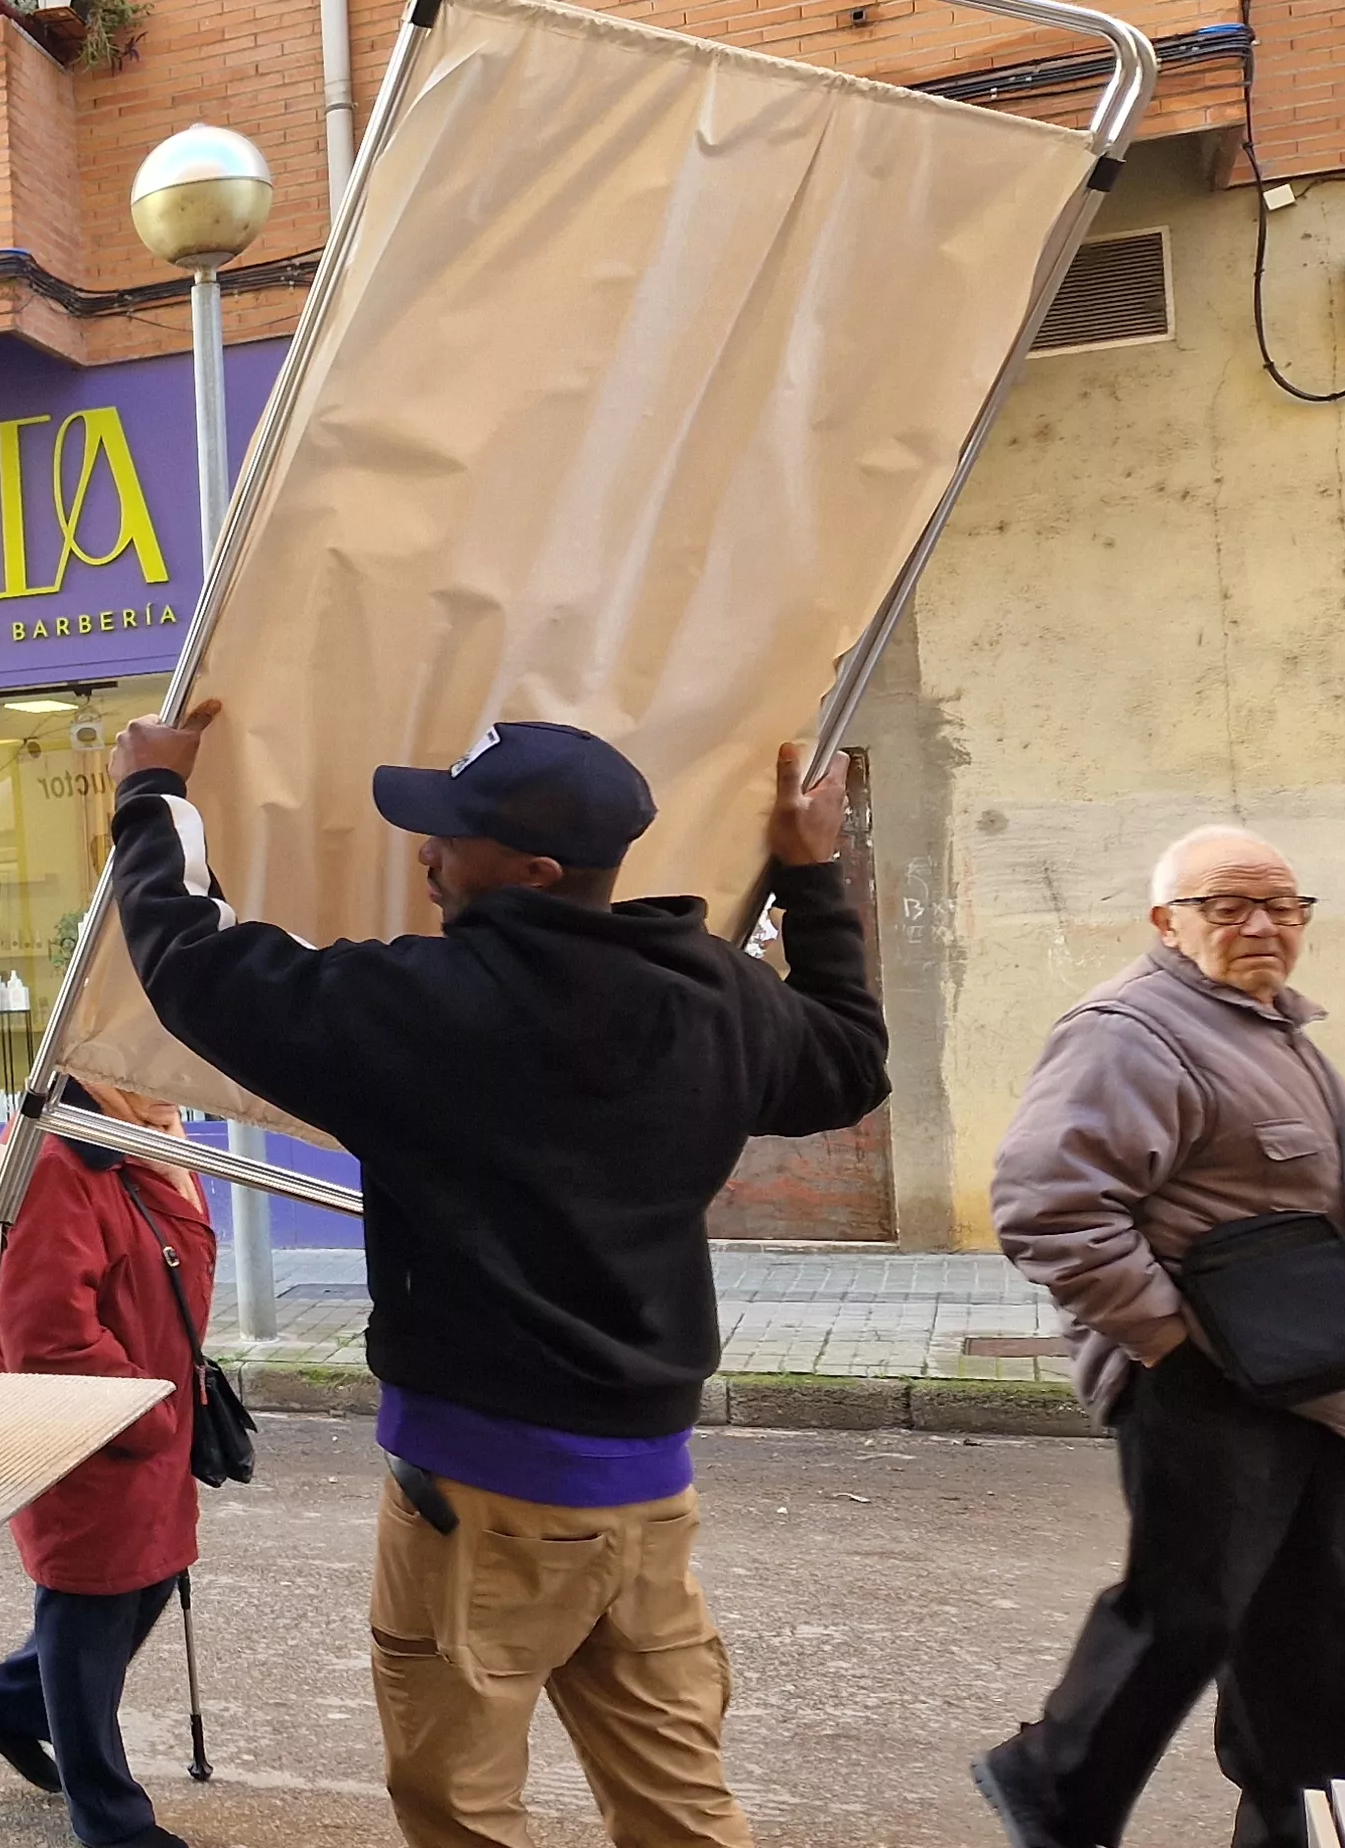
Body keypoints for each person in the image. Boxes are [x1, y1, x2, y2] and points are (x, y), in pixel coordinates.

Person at [99, 706, 888, 1848]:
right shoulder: (714, 993)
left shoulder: (429, 1009)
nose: (422, 853)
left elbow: (197, 966)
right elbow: (850, 1064)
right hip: (647, 1493)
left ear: (530, 871)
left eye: (448, 837)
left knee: (462, 1809)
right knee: (679, 1807)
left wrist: (151, 795)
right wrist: (809, 879)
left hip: (478, 1497)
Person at [973, 825, 1345, 1848]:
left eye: (1281, 905)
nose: (1261, 925)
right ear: (1165, 922)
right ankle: (1051, 1784)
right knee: (1184, 1614)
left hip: (1318, 1383)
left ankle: (1301, 1823)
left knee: (1328, 1640)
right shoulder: (1129, 1033)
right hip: (1210, 1383)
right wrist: (1168, 1341)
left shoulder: (1269, 1029)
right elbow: (1048, 1206)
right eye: (1226, 906)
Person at [0, 1079, 216, 1848]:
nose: (175, 1084)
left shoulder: (142, 1141)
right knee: (90, 1604)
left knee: (147, 1580)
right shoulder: (60, 1161)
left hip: (147, 1412)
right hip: (92, 1423)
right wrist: (152, 1408)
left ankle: (8, 1702)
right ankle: (111, 1821)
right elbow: (46, 1336)